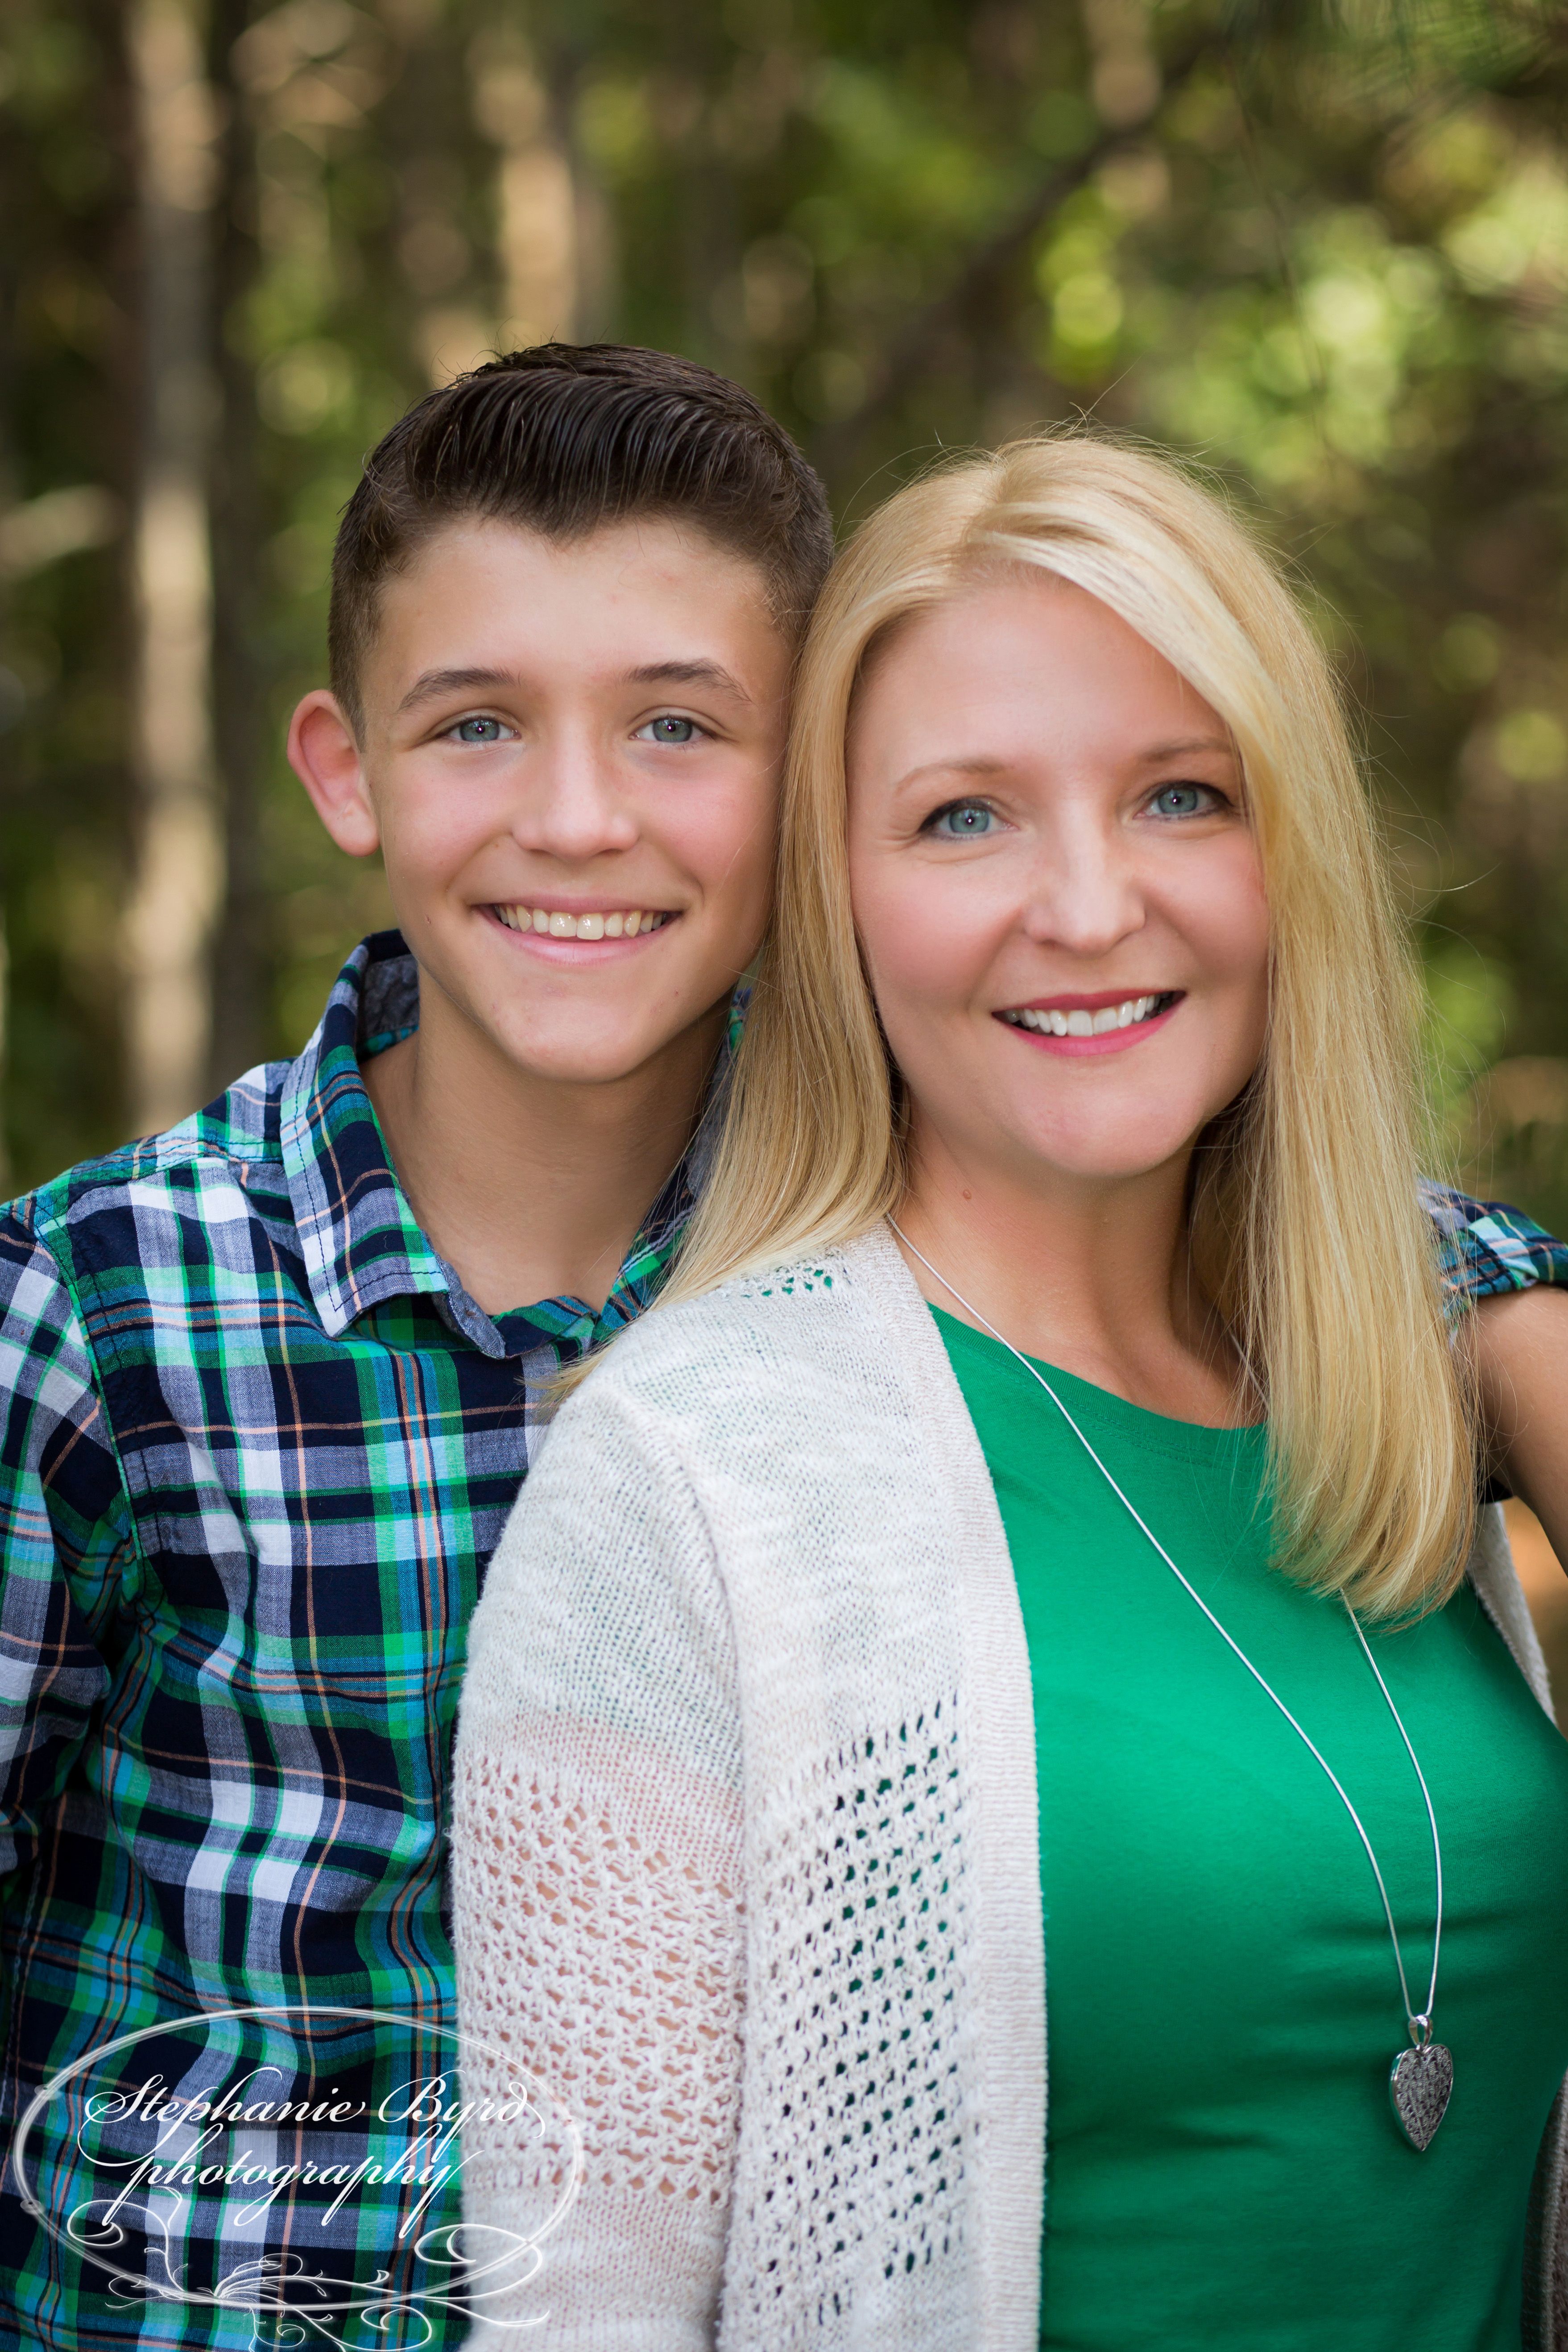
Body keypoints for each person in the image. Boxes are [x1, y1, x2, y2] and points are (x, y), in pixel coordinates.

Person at [453, 433, 1568, 2350]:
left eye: (1181, 796)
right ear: (841, 900)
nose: (1084, 904)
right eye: (966, 817)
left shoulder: (1413, 1389)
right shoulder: (688, 1482)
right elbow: (577, 2314)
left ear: (1287, 853)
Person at [0, 344, 832, 2349]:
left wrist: (1499, 1299)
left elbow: (1297, 1225)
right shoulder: (100, 1306)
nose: (575, 816)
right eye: (477, 724)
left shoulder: (886, 1268)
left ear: (813, 774)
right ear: (346, 769)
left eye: (676, 726)